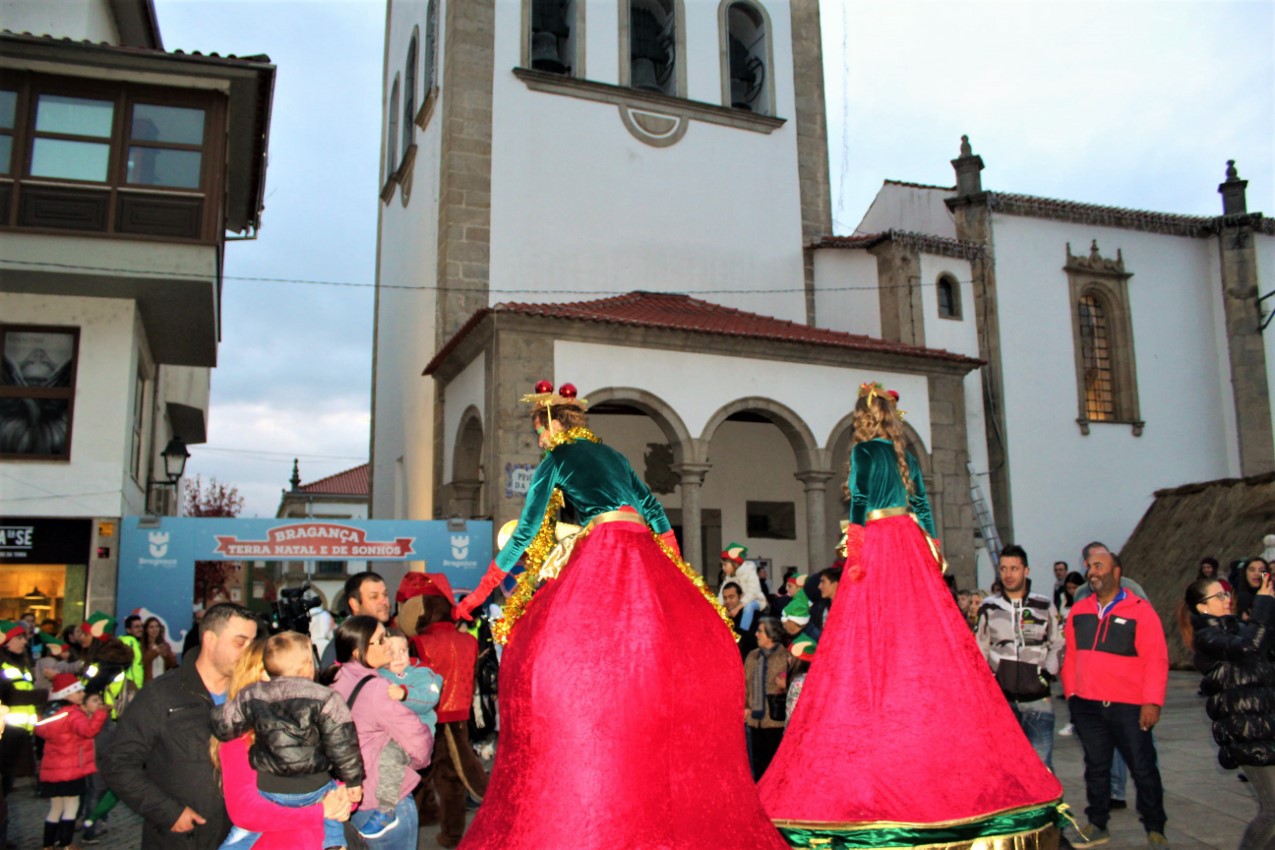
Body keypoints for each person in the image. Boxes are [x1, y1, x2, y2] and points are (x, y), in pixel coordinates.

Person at [452, 380, 788, 849]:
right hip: (642, 548)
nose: (541, 441)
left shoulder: (557, 458)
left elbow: (527, 530)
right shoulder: (613, 456)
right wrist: (681, 573)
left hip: (603, 548)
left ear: (549, 424)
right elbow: (652, 509)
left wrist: (478, 594)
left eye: (539, 433)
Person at [760, 382, 1062, 848]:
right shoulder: (905, 457)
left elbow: (859, 506)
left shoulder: (863, 454)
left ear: (862, 417)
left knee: (869, 630)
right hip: (910, 543)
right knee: (924, 630)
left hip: (880, 544)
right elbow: (923, 506)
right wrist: (934, 551)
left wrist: (853, 554)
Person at [101, 602, 259, 850]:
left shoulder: (251, 695)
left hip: (243, 836)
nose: (249, 652)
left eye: (252, 643)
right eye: (241, 642)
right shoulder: (161, 694)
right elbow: (118, 762)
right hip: (181, 839)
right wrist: (168, 812)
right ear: (210, 639)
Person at [210, 630, 365, 850]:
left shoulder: (312, 717)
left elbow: (341, 770)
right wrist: (320, 810)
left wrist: (344, 796)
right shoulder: (239, 740)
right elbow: (247, 812)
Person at [1061, 542, 1170, 847]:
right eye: (1089, 567)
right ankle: (1097, 823)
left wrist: (1151, 702)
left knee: (1143, 767)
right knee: (1096, 768)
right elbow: (1070, 656)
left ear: (1116, 572)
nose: (1091, 572)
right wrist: (1072, 694)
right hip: (1088, 706)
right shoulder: (1079, 611)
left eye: (1098, 566)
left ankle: (1155, 826)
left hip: (1129, 707)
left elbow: (1156, 659)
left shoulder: (1140, 610)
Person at [1179, 571, 1275, 850]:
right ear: (1202, 607)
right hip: (1244, 732)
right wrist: (1263, 607)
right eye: (1218, 595)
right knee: (1272, 812)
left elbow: (1264, 645)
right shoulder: (1207, 638)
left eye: (1226, 593)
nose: (1226, 599)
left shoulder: (1238, 629)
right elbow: (1248, 648)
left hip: (1265, 726)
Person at [325, 616, 432, 850]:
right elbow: (418, 741)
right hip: (385, 797)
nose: (389, 643)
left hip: (349, 794)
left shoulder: (334, 677)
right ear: (358, 651)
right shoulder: (377, 689)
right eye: (381, 640)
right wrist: (413, 762)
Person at [405, 574, 487, 849]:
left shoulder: (418, 642)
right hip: (459, 715)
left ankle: (427, 820)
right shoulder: (468, 641)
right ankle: (451, 832)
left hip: (427, 716)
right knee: (452, 778)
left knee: (419, 773)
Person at [975, 544, 1064, 769]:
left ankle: (1048, 806)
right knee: (1008, 766)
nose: (1008, 574)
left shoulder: (1043, 605)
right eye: (1004, 569)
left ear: (1026, 571)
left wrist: (1046, 674)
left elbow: (1059, 644)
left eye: (1014, 568)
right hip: (1003, 703)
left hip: (1037, 701)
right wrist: (989, 683)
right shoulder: (989, 607)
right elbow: (980, 650)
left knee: (1041, 765)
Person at [34, 673, 107, 849]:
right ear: (67, 695)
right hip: (71, 769)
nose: (82, 695)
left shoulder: (50, 713)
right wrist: (100, 714)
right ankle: (66, 844)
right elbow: (88, 731)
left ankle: (48, 844)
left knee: (55, 808)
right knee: (71, 807)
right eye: (78, 692)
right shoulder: (72, 714)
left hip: (53, 770)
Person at [744, 618, 793, 781]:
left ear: (771, 635)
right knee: (757, 765)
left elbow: (799, 684)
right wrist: (745, 706)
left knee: (774, 765)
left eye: (760, 631)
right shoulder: (752, 656)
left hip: (774, 721)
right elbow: (744, 684)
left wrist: (786, 684)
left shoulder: (786, 657)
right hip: (754, 720)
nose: (756, 634)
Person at [319, 572, 392, 669]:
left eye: (385, 595)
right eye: (374, 597)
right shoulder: (340, 648)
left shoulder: (392, 636)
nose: (384, 602)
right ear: (355, 604)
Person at [718, 543, 769, 630]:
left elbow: (753, 592)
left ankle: (743, 631)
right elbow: (721, 596)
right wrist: (720, 608)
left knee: (749, 606)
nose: (723, 568)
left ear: (734, 563)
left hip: (755, 601)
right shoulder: (728, 577)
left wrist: (737, 608)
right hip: (740, 604)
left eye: (725, 565)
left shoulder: (749, 571)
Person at [141, 617, 178, 684]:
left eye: (157, 626)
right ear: (146, 630)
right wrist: (154, 652)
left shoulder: (165, 646)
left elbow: (173, 665)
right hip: (149, 683)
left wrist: (166, 656)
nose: (155, 629)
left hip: (162, 683)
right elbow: (143, 663)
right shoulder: (142, 645)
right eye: (151, 627)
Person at [1234, 557, 1268, 622]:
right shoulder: (1241, 597)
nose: (1256, 574)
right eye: (1252, 570)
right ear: (1245, 573)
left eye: (1262, 570)